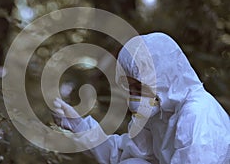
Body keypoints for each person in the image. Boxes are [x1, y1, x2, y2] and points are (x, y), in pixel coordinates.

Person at [52, 32, 230, 164]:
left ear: (161, 78)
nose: (133, 98)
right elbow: (124, 154)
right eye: (130, 89)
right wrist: (80, 126)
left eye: (138, 88)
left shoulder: (197, 114)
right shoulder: (159, 113)